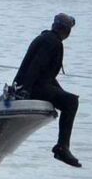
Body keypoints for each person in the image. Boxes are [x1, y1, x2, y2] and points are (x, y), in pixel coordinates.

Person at [12, 14, 82, 167]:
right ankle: (62, 147)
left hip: (31, 85)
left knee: (68, 99)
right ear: (67, 31)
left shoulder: (46, 38)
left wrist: (62, 94)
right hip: (32, 87)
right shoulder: (52, 42)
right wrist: (24, 92)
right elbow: (35, 67)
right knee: (72, 102)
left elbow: (47, 75)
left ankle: (62, 147)